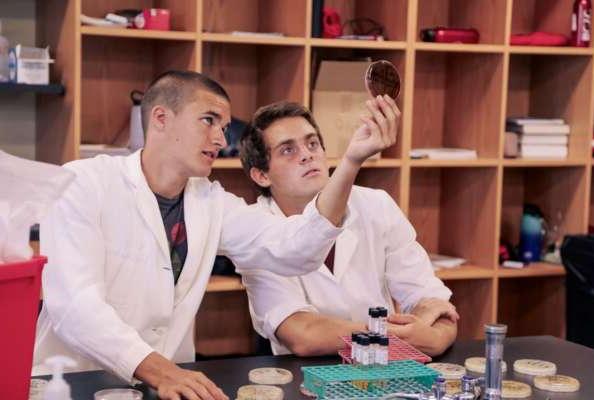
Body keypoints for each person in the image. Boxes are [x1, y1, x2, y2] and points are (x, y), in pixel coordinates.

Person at [33, 71, 399, 400]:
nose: (221, 137)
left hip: (169, 387)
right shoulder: (83, 183)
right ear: (160, 118)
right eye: (209, 120)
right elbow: (76, 306)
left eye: (224, 126)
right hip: (74, 384)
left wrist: (351, 162)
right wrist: (161, 370)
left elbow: (295, 250)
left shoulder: (210, 201)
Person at [239, 101, 458, 358]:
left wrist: (436, 337)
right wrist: (403, 333)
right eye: (288, 150)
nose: (307, 155)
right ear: (261, 175)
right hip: (306, 376)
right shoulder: (253, 230)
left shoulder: (376, 204)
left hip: (384, 369)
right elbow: (304, 335)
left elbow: (438, 306)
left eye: (312, 144)